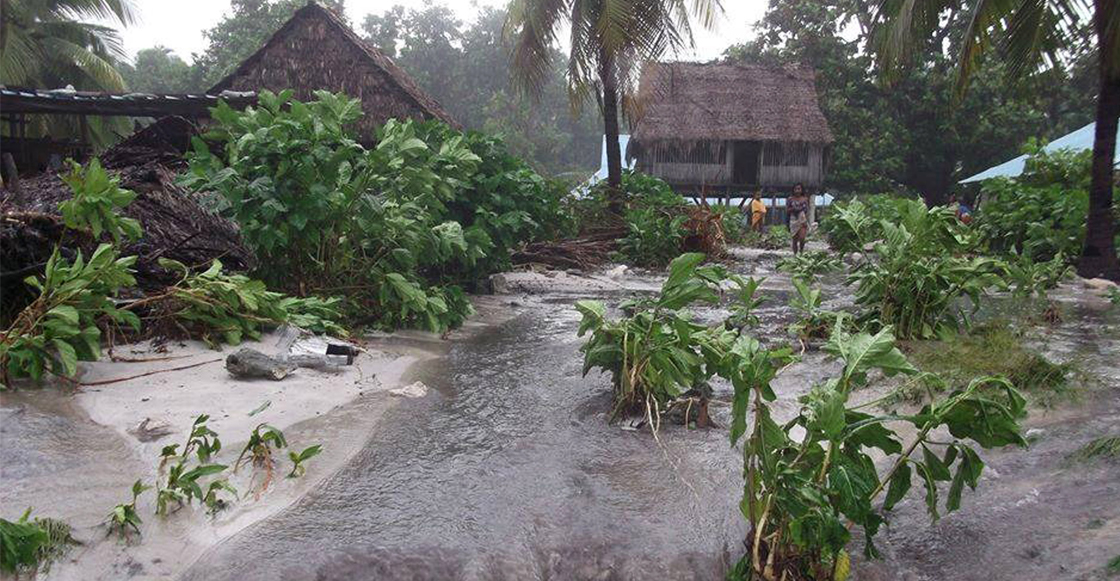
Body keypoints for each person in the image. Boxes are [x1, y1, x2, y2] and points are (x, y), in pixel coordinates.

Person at [787, 183, 810, 254]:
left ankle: (801, 252)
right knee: (795, 239)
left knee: (802, 238)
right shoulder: (790, 199)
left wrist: (806, 220)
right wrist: (794, 209)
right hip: (793, 219)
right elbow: (787, 210)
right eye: (796, 189)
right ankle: (795, 254)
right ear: (793, 190)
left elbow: (807, 210)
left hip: (802, 219)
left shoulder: (805, 199)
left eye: (799, 189)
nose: (797, 191)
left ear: (801, 190)